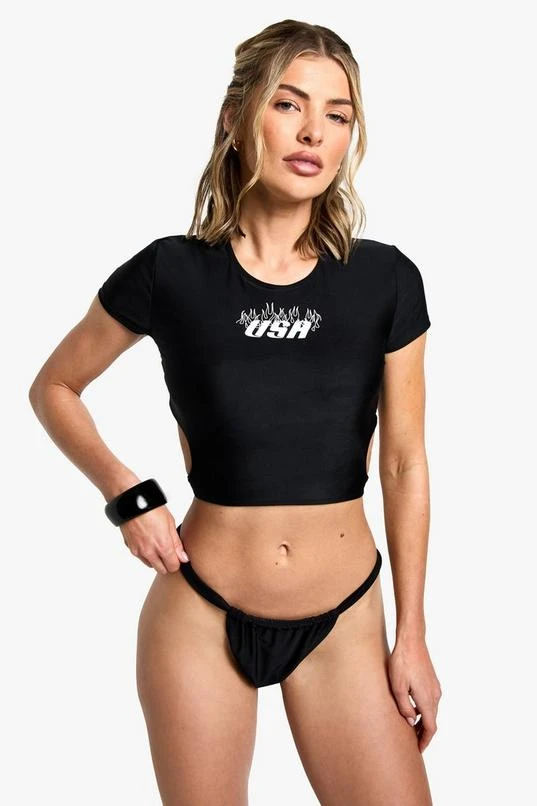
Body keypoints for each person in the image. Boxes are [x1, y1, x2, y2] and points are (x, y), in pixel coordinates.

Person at [28, 18, 441, 806]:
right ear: (236, 116)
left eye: (337, 114)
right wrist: (126, 494)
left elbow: (402, 462)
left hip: (347, 621)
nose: (312, 132)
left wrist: (411, 635)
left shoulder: (384, 281)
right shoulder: (169, 272)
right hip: (200, 614)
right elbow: (54, 387)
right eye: (288, 104)